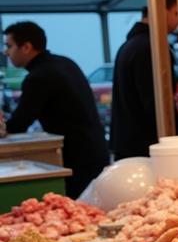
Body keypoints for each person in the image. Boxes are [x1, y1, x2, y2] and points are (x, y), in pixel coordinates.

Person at [3, 21, 108, 197]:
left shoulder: (38, 77)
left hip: (76, 159)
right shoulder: (65, 62)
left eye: (9, 46)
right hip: (96, 150)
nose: (6, 52)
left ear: (26, 47)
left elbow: (18, 125)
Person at [110, 0, 178, 160]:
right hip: (145, 150)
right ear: (161, 11)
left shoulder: (130, 45)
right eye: (176, 13)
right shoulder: (151, 48)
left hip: (127, 147)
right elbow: (157, 104)